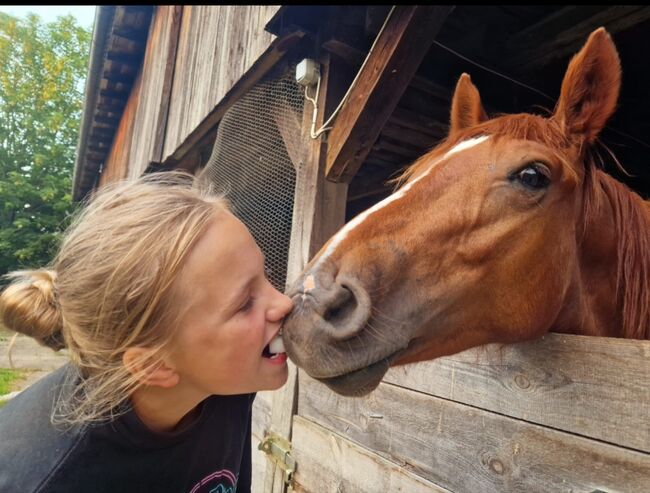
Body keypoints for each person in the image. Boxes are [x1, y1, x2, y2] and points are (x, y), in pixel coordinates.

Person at [0, 171, 293, 493]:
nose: (284, 302)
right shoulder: (50, 480)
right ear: (154, 365)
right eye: (244, 304)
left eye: (265, 275)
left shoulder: (225, 386)